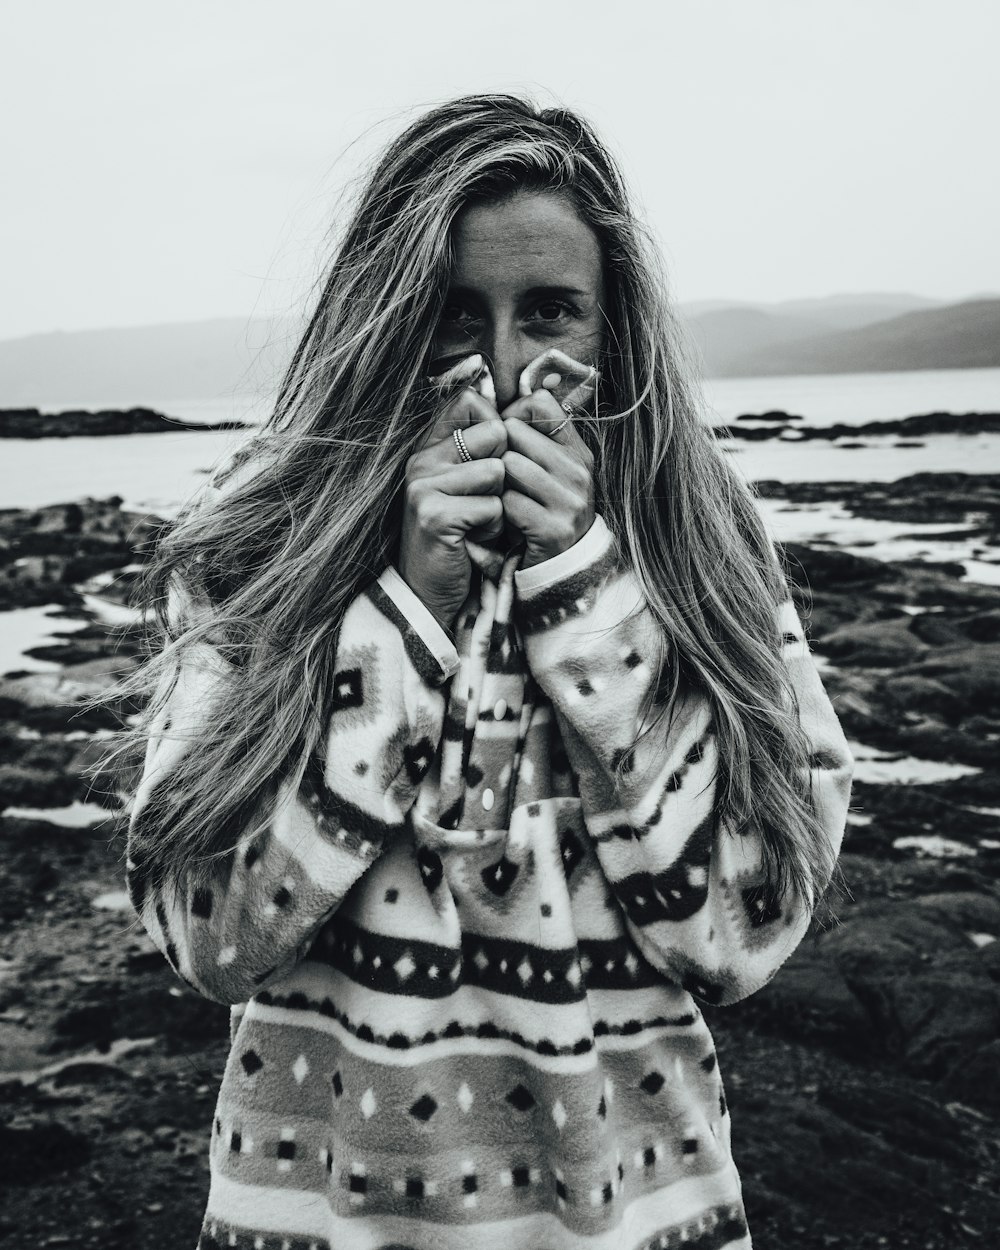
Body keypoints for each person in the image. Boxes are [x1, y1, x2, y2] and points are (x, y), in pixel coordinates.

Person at [122, 94, 854, 1250]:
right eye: (456, 316)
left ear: (616, 330)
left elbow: (744, 931)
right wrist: (406, 609)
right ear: (386, 320)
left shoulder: (704, 540)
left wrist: (583, 588)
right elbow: (206, 931)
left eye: (550, 312)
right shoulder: (258, 541)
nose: (507, 369)